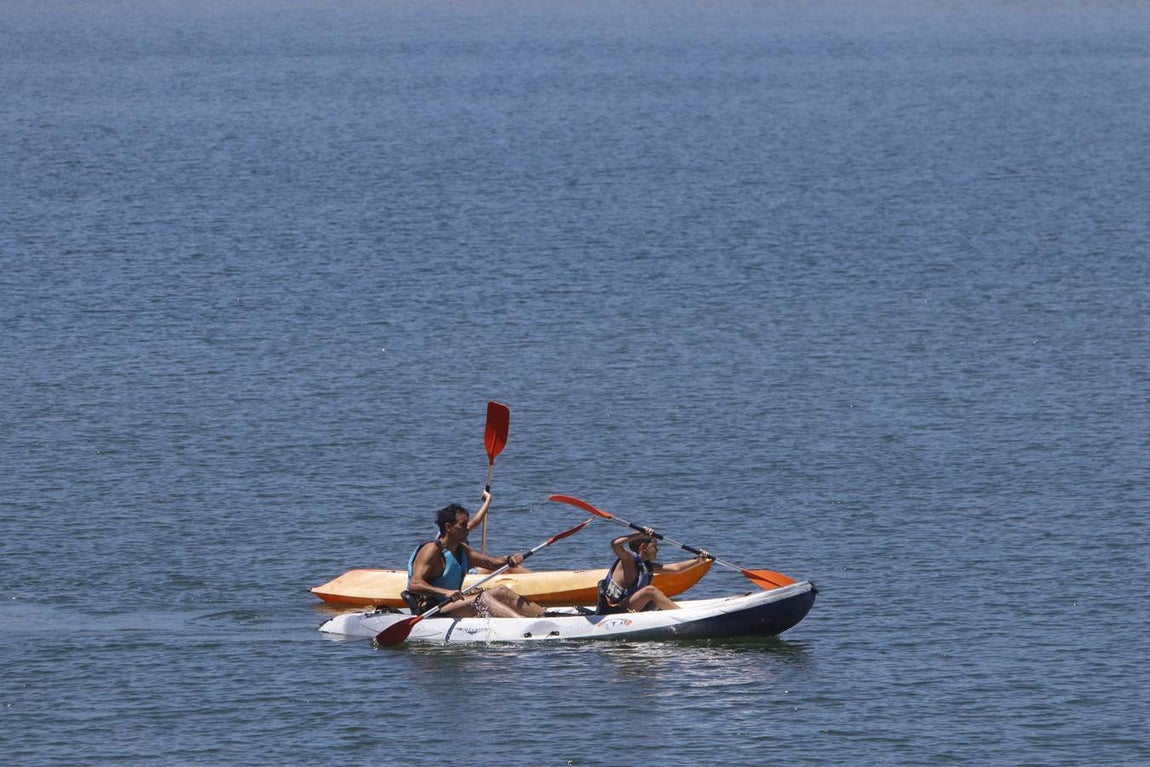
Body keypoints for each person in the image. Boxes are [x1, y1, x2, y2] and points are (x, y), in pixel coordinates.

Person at [404, 497, 547, 619]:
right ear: (448, 527)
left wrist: (510, 559)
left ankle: (547, 615)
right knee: (482, 600)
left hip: (454, 604)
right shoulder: (431, 550)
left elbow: (491, 563)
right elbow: (415, 584)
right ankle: (523, 624)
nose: (467, 528)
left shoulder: (461, 550)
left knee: (501, 591)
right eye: (463, 525)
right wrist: (446, 593)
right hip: (432, 609)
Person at [596, 528, 710, 614]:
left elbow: (676, 568)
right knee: (650, 591)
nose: (657, 549)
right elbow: (615, 544)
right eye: (654, 546)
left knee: (656, 602)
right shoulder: (628, 560)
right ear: (643, 547)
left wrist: (699, 560)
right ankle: (683, 616)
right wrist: (638, 535)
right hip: (613, 611)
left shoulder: (646, 566)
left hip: (627, 608)